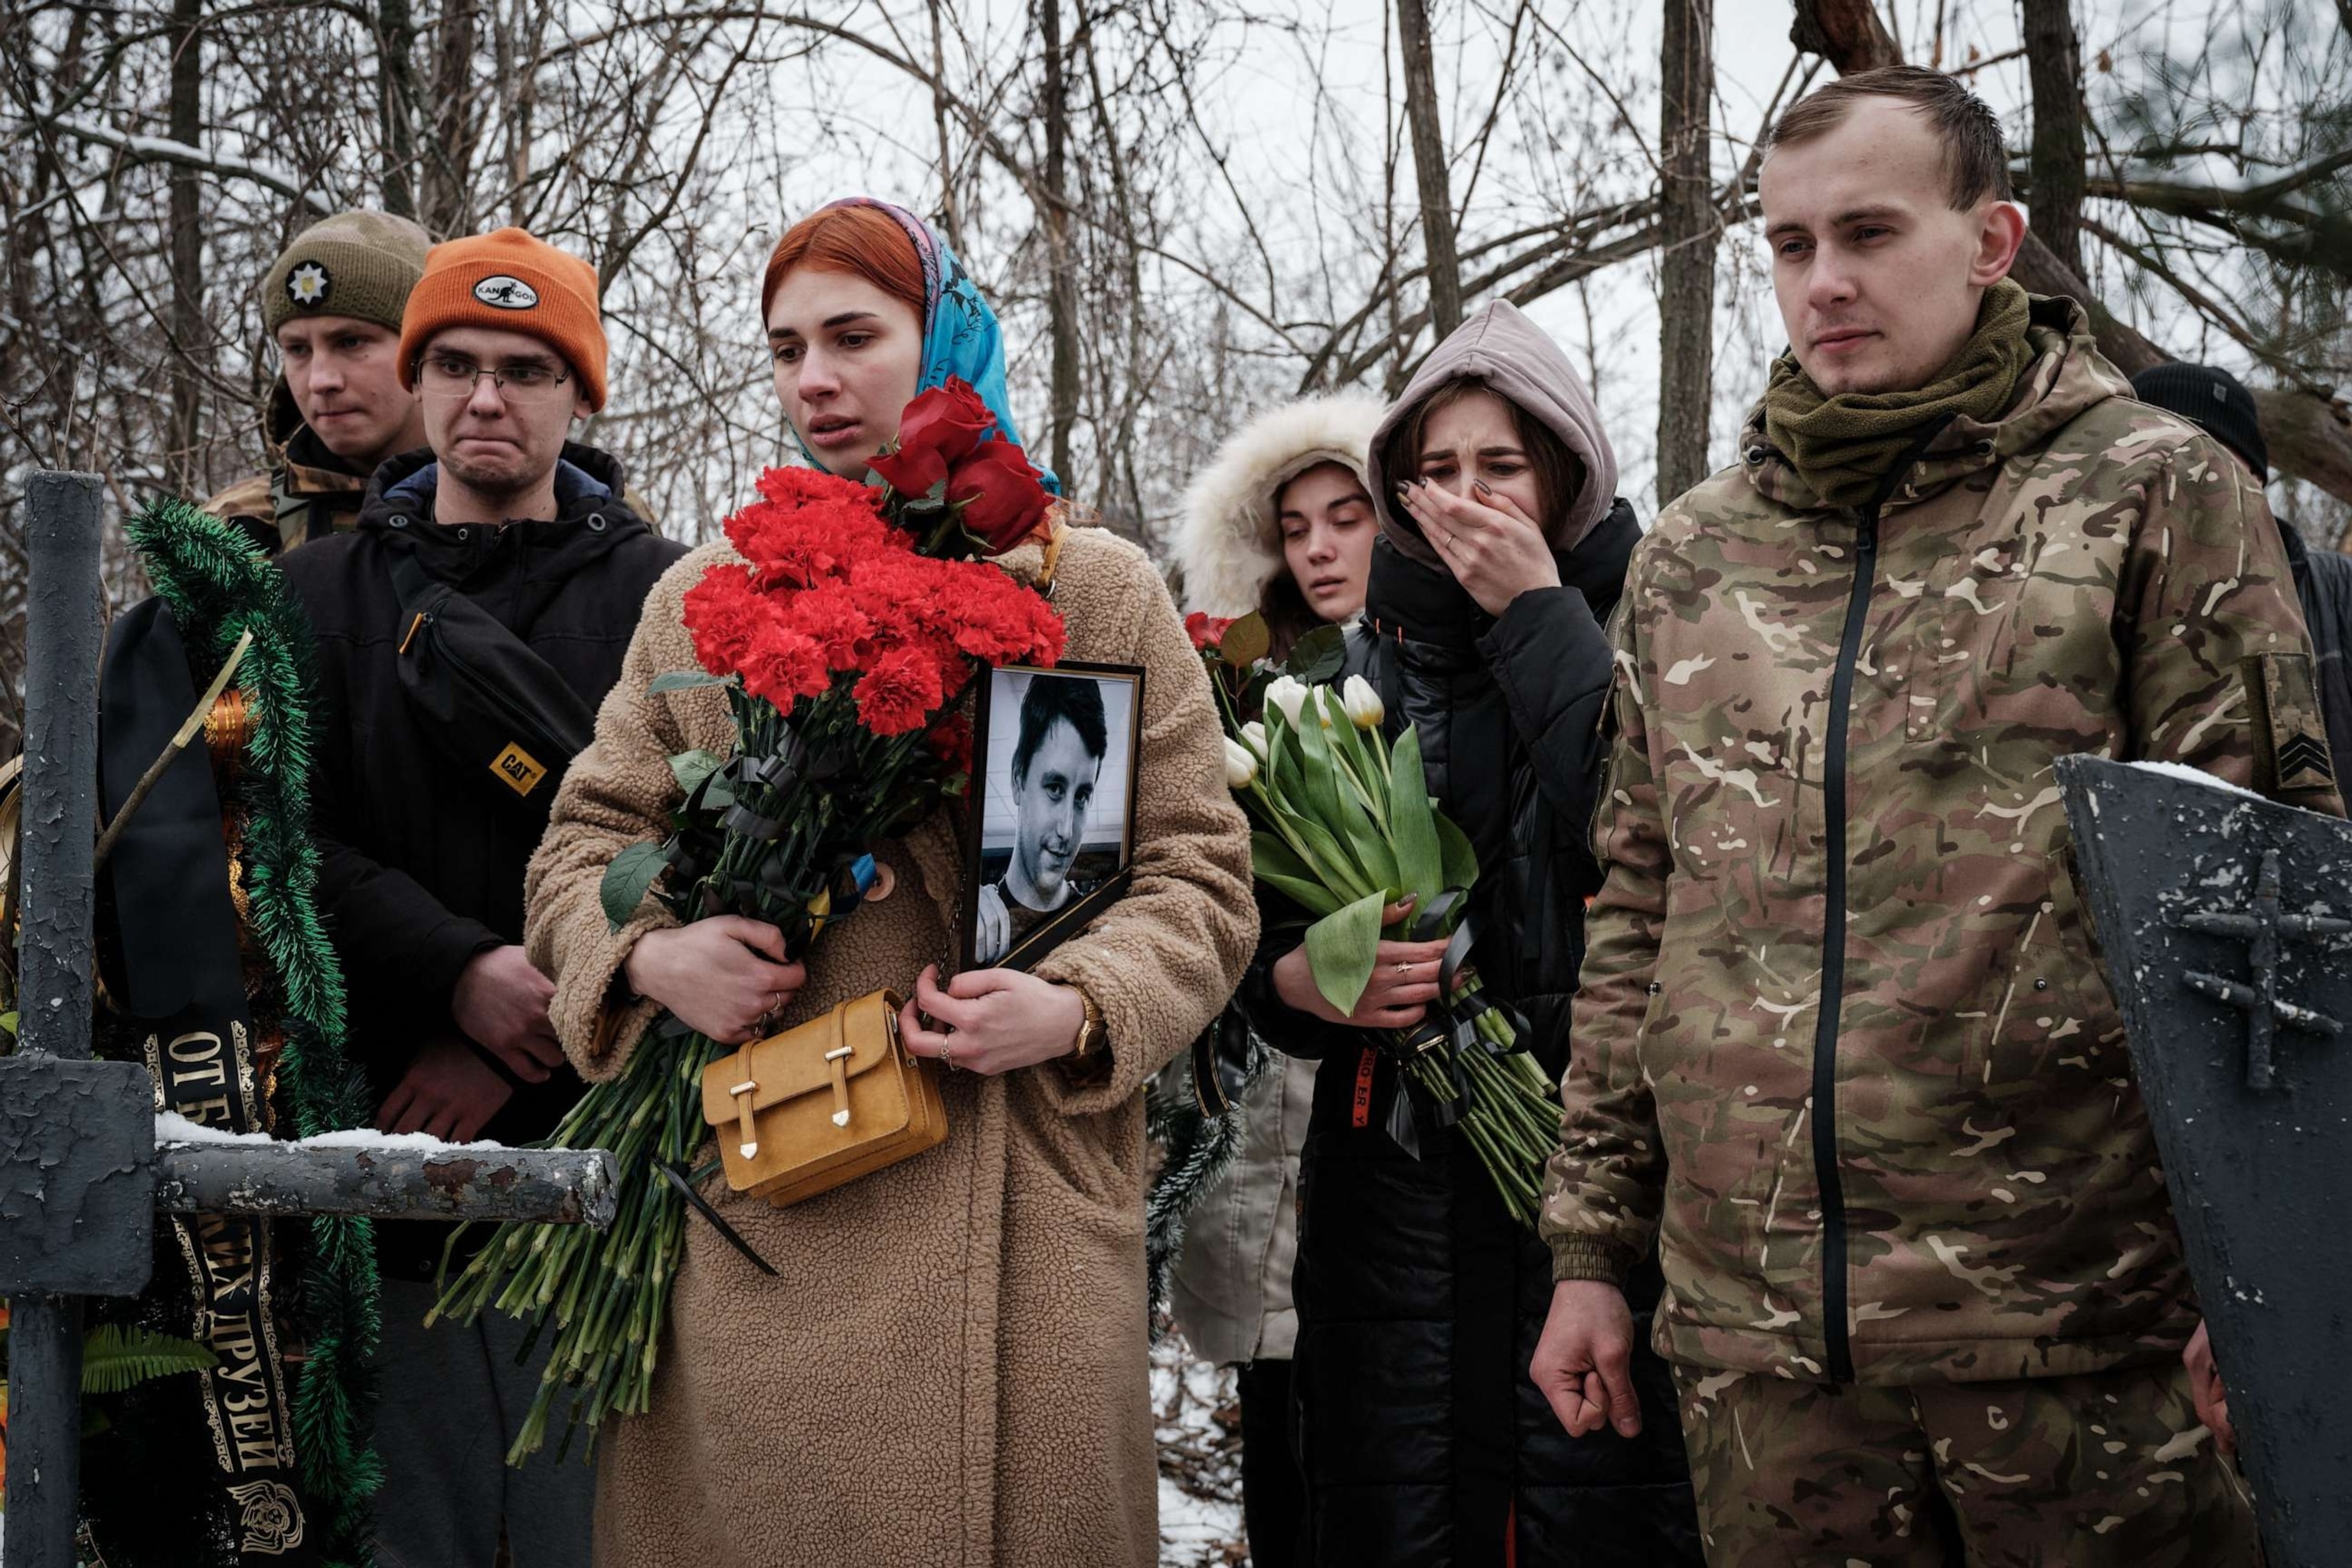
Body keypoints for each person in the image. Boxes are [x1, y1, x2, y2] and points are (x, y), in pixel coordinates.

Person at [1532, 67, 2338, 1567]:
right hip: (1768, 1359)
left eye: (1869, 232)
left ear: (1991, 239)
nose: (1823, 281)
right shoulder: (1697, 558)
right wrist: (1589, 1251)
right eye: (1788, 245)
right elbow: (1637, 915)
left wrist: (2267, 1283)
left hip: (2089, 1343)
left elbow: (2266, 907)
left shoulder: (2152, 498)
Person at [522, 196, 1254, 1566]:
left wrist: (1080, 1002)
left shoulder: (1085, 586)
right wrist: (646, 956)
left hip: (1019, 1207)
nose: (815, 376)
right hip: (760, 1198)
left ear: (946, 338)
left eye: (854, 334)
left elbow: (1202, 873)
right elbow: (582, 845)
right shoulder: (705, 597)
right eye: (786, 345)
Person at [1235, 302, 1703, 1566]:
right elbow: (1258, 922)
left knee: (1593, 1501)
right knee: (1396, 1497)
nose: (1465, 499)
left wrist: (1536, 616)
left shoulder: (1655, 633)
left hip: (1599, 1183)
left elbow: (1666, 842)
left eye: (1500, 467)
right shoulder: (1348, 679)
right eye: (1435, 471)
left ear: (1562, 478)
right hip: (1393, 1193)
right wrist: (1298, 978)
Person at [277, 226, 688, 1567]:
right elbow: (288, 842)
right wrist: (456, 972)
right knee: (416, 1526)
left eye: (526, 366)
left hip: (611, 1162)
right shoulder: (316, 592)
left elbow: (710, 853)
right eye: (451, 362)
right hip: (389, 1146)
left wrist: (530, 1016)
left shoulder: (670, 597)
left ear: (582, 394)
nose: (484, 396)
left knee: (601, 1531)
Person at [1164, 391, 1384, 1568]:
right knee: (1285, 1447)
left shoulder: (1441, 671)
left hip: (1416, 1118)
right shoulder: (1234, 688)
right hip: (1271, 1116)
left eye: (1347, 516)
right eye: (1296, 528)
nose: (1320, 547)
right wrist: (1273, 980)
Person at [2131, 361, 2352, 779]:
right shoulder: (2067, 606)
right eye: (2156, 466)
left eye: (2210, 468)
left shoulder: (2338, 597)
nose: (2181, 488)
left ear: (2256, 484)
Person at [206, 210, 432, 554]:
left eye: (351, 342)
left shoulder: (515, 507)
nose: (320, 380)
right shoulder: (234, 530)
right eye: (298, 349)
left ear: (423, 349)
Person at [975, 671, 1109, 964]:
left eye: (1082, 796)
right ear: (1017, 779)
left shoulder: (1101, 925)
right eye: (1055, 789)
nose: (1066, 830)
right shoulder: (980, 917)